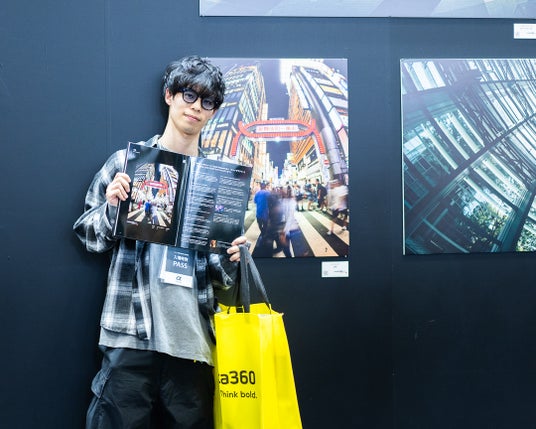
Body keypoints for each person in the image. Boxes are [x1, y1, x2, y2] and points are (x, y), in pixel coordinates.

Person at [73, 55, 249, 429]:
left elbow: (221, 278)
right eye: (189, 95)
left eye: (207, 102)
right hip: (129, 334)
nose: (196, 108)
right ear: (169, 95)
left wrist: (232, 256)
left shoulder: (219, 180)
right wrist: (113, 208)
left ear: (213, 112)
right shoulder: (126, 162)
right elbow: (87, 234)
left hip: (193, 341)